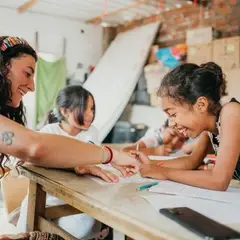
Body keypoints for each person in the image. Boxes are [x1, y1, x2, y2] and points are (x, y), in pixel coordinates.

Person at [0, 36, 140, 238]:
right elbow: (34, 148)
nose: (31, 86)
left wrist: (79, 163)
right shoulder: (49, 132)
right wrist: (111, 155)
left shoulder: (92, 133)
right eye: (27, 73)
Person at [17, 85, 121, 239]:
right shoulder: (49, 132)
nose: (89, 114)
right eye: (84, 108)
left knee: (86, 227)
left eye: (92, 109)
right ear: (64, 111)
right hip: (47, 196)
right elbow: (32, 162)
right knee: (29, 229)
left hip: (78, 198)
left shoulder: (92, 132)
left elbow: (94, 161)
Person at [133, 62, 240, 191]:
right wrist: (149, 164)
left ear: (201, 105)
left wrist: (163, 173)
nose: (171, 123)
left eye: (173, 114)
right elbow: (191, 161)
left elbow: (219, 180)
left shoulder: (231, 113)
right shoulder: (211, 129)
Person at [123, 119, 196, 156]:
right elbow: (125, 151)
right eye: (172, 134)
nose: (174, 142)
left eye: (181, 140)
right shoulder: (153, 139)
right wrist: (154, 151)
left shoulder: (181, 147)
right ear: (163, 129)